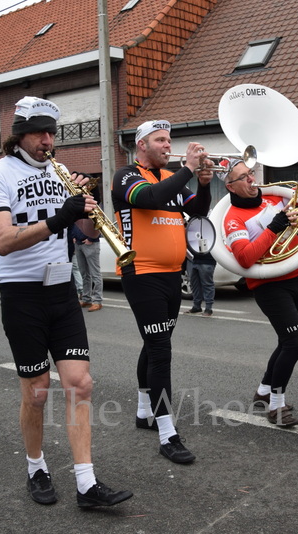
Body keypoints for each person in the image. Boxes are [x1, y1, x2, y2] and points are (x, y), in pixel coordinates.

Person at [0, 96, 132, 508]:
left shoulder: (59, 171)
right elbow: (2, 241)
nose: (48, 140)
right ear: (19, 135)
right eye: (39, 133)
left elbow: (79, 228)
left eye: (52, 133)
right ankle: (36, 466)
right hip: (22, 293)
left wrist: (86, 213)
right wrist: (58, 219)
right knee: (36, 392)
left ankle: (86, 484)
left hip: (62, 290)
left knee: (80, 384)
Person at [111, 120, 213, 464]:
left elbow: (197, 211)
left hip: (171, 274)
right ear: (142, 145)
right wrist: (187, 169)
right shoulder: (127, 175)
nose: (167, 145)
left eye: (169, 140)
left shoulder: (169, 176)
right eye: (160, 140)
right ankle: (168, 434)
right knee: (160, 348)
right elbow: (152, 198)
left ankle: (144, 412)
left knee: (154, 343)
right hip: (141, 273)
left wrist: (203, 183)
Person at [222, 136, 298, 428]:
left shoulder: (271, 196)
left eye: (251, 173)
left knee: (288, 340)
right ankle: (276, 405)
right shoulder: (232, 218)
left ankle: (262, 392)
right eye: (243, 177)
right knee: (296, 341)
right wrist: (275, 226)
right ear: (230, 186)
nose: (251, 179)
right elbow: (245, 258)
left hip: (295, 276)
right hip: (268, 286)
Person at [72, 215, 103, 312]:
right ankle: (86, 299)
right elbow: (73, 224)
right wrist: (73, 236)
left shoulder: (92, 209)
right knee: (84, 274)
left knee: (95, 274)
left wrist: (91, 239)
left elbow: (99, 224)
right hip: (78, 244)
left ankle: (97, 301)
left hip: (91, 244)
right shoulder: (78, 209)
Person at [184, 251, 216, 317]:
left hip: (207, 260)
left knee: (207, 284)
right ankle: (197, 307)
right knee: (194, 284)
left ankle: (208, 309)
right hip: (193, 259)